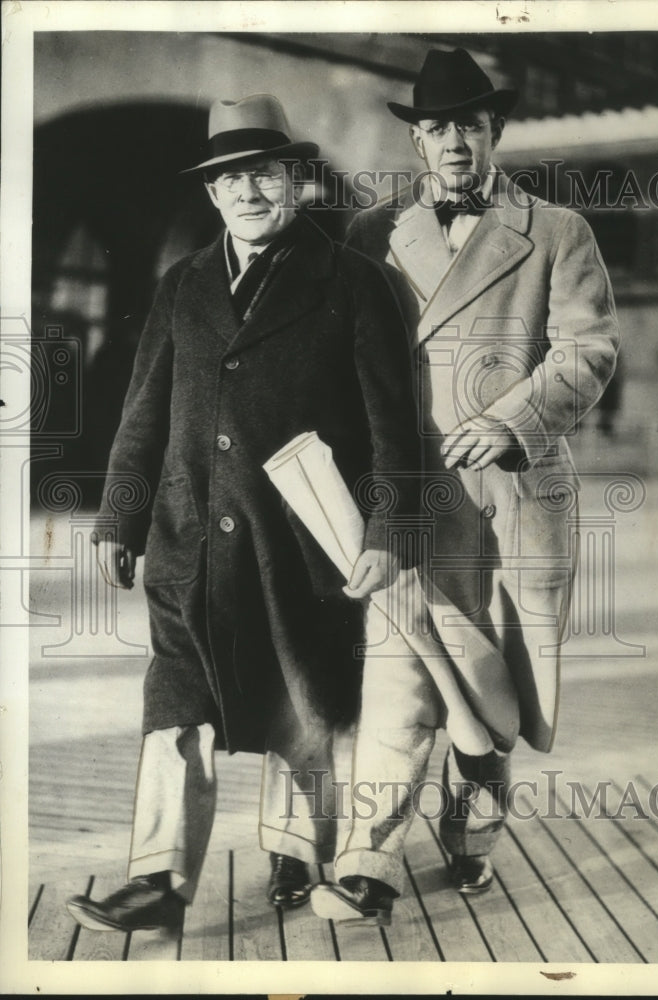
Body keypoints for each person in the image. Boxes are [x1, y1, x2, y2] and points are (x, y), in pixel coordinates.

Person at [65, 94, 421, 932]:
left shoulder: (354, 282)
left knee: (303, 699)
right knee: (176, 706)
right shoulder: (181, 285)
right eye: (230, 179)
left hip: (301, 541)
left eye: (263, 173)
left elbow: (390, 425)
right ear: (213, 194)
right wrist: (119, 519)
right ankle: (157, 880)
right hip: (190, 541)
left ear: (295, 180)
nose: (248, 192)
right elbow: (142, 413)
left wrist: (387, 533)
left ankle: (296, 852)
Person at [311, 47, 620, 926]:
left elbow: (589, 349)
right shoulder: (370, 234)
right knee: (399, 666)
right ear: (416, 141)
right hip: (406, 493)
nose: (452, 142)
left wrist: (515, 418)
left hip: (516, 493)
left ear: (494, 135)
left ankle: (472, 832)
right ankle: (368, 855)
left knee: (495, 680)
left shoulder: (556, 231)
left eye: (469, 126)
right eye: (436, 127)